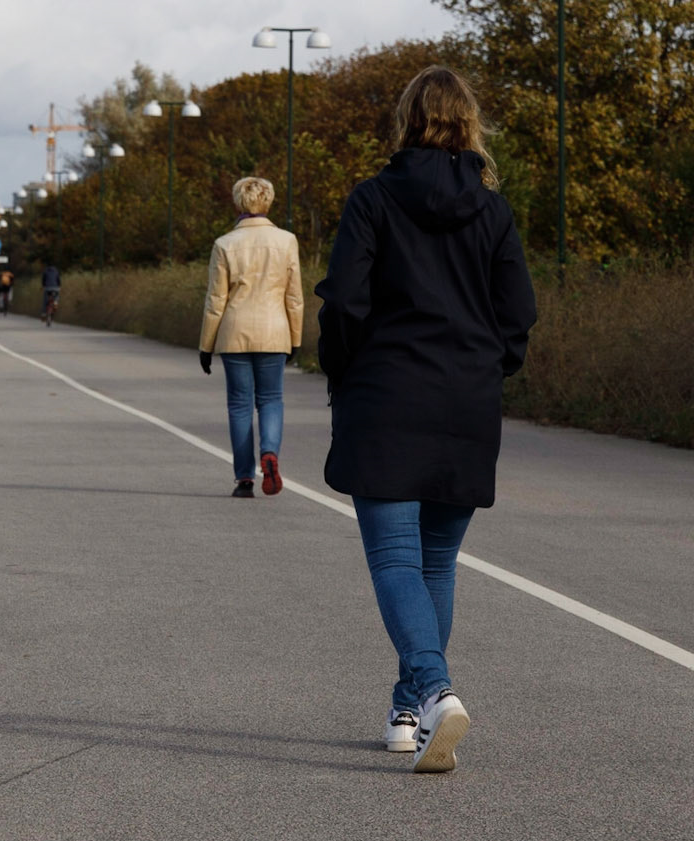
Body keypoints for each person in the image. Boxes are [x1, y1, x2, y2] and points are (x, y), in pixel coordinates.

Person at [317, 66, 536, 773]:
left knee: (395, 558)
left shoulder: (374, 200)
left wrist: (344, 372)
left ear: (407, 120)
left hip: (387, 394)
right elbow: (519, 314)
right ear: (469, 123)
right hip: (465, 401)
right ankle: (406, 709)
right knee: (436, 562)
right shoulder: (494, 211)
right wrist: (486, 367)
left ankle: (435, 690)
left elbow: (345, 301)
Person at [199, 177, 303, 499]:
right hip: (274, 331)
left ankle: (244, 478)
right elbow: (294, 297)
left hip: (235, 334)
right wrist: (296, 339)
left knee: (239, 405)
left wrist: (206, 345)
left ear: (238, 203)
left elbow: (216, 300)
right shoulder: (287, 241)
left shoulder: (225, 244)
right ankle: (269, 453)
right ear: (268, 203)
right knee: (271, 399)